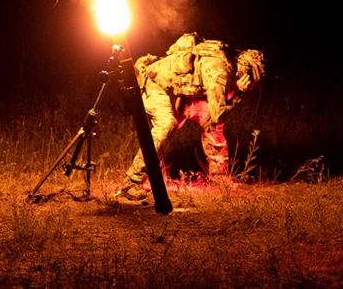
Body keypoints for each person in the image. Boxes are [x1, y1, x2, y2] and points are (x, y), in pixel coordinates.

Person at [111, 33, 265, 204]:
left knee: (211, 125)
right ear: (246, 72)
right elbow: (219, 113)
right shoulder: (219, 69)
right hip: (154, 84)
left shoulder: (226, 65)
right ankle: (131, 182)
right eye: (253, 80)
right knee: (166, 125)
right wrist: (239, 94)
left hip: (182, 93)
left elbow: (213, 116)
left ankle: (219, 179)